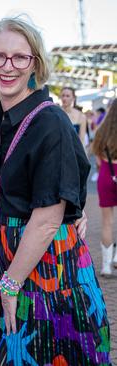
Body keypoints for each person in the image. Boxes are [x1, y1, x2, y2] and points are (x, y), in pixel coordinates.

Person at [0, 17, 110, 365]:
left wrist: (10, 285)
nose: (8, 66)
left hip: (46, 274)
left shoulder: (49, 121)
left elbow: (49, 218)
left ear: (35, 63)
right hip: (19, 269)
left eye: (20, 57)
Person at [91, 105, 117, 276]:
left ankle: (106, 266)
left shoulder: (101, 132)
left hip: (107, 176)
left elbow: (98, 162)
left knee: (107, 223)